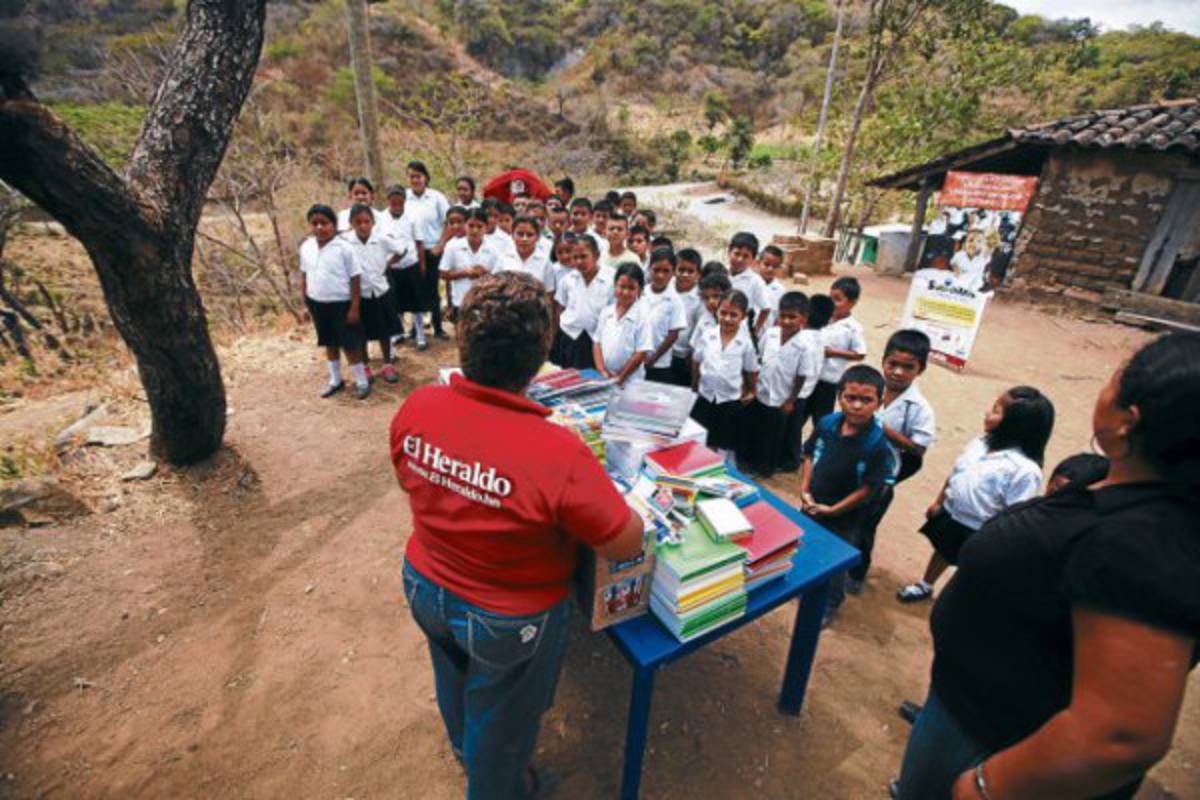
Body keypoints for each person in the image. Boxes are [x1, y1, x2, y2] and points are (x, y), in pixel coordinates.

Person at [894, 333, 1200, 800]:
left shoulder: (1142, 542)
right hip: (972, 705)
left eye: (1117, 376)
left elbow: (1120, 733)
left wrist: (989, 785)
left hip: (995, 737)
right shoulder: (1127, 497)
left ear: (1129, 420)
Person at [391, 272, 644, 800]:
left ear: (463, 340)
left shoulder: (418, 406)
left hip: (424, 584)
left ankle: (466, 750)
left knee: (452, 675)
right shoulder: (558, 451)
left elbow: (412, 481)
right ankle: (497, 786)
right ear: (540, 356)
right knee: (503, 722)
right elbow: (625, 543)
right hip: (509, 617)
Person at [898, 386, 1054, 603]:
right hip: (953, 515)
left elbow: (1015, 514)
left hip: (983, 531)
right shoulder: (980, 443)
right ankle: (926, 584)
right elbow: (957, 473)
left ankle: (956, 600)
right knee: (943, 550)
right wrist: (939, 501)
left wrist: (997, 541)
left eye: (996, 410)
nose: (987, 413)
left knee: (971, 567)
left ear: (1015, 425)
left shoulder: (1024, 471)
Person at [800, 364, 895, 622]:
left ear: (879, 403)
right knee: (808, 543)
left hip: (847, 516)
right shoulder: (827, 424)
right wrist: (805, 489)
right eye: (850, 397)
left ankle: (829, 604)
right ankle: (807, 584)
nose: (856, 406)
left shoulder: (876, 444)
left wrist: (834, 510)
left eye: (866, 400)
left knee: (835, 561)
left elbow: (869, 488)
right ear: (839, 396)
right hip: (813, 503)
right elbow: (809, 454)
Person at [848, 330, 937, 594]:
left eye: (908, 367)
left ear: (920, 370)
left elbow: (919, 448)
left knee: (864, 527)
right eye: (892, 364)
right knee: (843, 518)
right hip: (851, 464)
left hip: (880, 476)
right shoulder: (869, 390)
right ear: (883, 361)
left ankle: (856, 574)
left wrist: (884, 430)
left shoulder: (918, 408)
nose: (897, 372)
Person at [746, 291, 821, 477]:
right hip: (763, 391)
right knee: (757, 429)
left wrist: (790, 400)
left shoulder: (805, 345)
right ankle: (752, 461)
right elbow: (760, 358)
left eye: (792, 317)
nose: (786, 321)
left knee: (773, 436)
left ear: (803, 319)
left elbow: (802, 376)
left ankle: (765, 468)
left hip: (782, 396)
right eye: (783, 316)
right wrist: (753, 387)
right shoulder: (771, 334)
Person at [298, 204, 369, 399]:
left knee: (349, 344)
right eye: (315, 223)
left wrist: (354, 308)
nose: (319, 227)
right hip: (317, 302)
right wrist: (305, 304)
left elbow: (355, 278)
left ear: (334, 224)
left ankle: (362, 381)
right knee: (329, 342)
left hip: (341, 304)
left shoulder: (344, 248)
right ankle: (335, 380)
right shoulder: (306, 246)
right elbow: (304, 275)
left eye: (324, 223)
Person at [691, 289, 758, 463]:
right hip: (706, 395)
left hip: (729, 399)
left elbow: (751, 369)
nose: (727, 318)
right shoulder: (708, 335)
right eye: (723, 313)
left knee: (724, 440)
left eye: (733, 315)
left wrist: (752, 390)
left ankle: (722, 466)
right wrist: (695, 385)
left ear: (743, 316)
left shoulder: (745, 342)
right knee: (702, 435)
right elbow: (697, 361)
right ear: (717, 312)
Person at [343, 204, 407, 383]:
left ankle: (387, 364)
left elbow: (402, 250)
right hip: (359, 294)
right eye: (358, 222)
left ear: (373, 222)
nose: (363, 226)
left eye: (367, 221)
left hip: (380, 290)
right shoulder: (346, 243)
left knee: (384, 330)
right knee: (361, 333)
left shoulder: (382, 239)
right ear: (351, 223)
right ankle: (365, 366)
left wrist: (388, 263)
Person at [778, 294, 831, 473]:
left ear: (804, 317)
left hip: (795, 390)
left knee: (791, 428)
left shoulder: (802, 338)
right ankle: (791, 457)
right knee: (794, 426)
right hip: (807, 388)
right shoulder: (822, 335)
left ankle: (790, 461)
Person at [807, 276, 866, 429]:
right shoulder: (822, 318)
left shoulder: (853, 328)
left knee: (822, 421)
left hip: (828, 382)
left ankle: (820, 443)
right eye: (831, 297)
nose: (832, 303)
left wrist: (833, 353)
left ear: (852, 303)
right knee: (798, 415)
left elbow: (860, 353)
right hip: (809, 376)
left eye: (838, 299)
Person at [552, 234, 613, 369]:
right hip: (571, 336)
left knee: (595, 376)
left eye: (584, 256)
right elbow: (560, 308)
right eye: (575, 257)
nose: (579, 261)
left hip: (598, 339)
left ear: (596, 255)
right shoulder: (568, 280)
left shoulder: (610, 279)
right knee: (570, 375)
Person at [406, 161, 451, 340]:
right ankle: (415, 328)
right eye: (411, 176)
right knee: (414, 289)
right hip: (412, 251)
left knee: (432, 288)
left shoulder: (436, 197)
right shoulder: (404, 197)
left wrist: (441, 245)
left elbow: (450, 222)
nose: (415, 180)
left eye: (418, 176)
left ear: (425, 177)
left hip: (432, 249)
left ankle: (437, 326)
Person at [380, 184, 424, 349]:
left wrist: (422, 264)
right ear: (388, 201)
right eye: (393, 203)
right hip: (391, 266)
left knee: (416, 302)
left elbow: (419, 242)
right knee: (395, 302)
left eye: (400, 202)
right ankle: (398, 332)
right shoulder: (381, 218)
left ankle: (420, 333)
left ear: (405, 201)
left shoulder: (412, 217)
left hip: (411, 263)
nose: (397, 206)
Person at [593, 264, 652, 385]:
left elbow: (641, 353)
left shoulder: (642, 317)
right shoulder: (606, 312)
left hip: (630, 380)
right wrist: (602, 370)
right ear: (615, 286)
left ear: (640, 290)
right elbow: (597, 343)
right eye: (622, 286)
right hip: (605, 377)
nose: (625, 292)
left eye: (631, 288)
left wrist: (621, 377)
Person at [440, 208, 498, 324]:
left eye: (479, 226)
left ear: (486, 228)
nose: (475, 230)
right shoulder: (452, 247)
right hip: (460, 302)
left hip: (484, 303)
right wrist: (466, 272)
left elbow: (499, 277)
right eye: (471, 226)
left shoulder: (493, 250)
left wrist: (485, 273)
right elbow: (443, 274)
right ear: (464, 226)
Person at [641, 248, 687, 384]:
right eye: (656, 270)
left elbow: (672, 335)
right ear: (649, 268)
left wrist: (652, 360)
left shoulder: (675, 301)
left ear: (673, 272)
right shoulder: (642, 292)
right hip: (636, 358)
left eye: (666, 271)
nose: (660, 275)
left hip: (659, 364)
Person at [728, 232, 771, 341]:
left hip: (739, 333)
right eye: (736, 254)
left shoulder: (755, 281)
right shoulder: (720, 273)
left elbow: (766, 308)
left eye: (746, 256)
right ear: (729, 252)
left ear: (753, 259)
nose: (740, 259)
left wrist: (755, 331)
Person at [669, 249, 704, 386]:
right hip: (659, 351)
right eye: (681, 270)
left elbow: (698, 329)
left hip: (681, 354)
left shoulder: (699, 299)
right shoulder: (666, 288)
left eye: (690, 271)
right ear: (674, 270)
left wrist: (690, 353)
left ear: (698, 275)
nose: (685, 275)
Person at [498, 216, 556, 292]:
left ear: (538, 237)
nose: (524, 239)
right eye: (520, 234)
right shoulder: (504, 258)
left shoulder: (545, 262)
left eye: (529, 235)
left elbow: (549, 291)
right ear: (512, 235)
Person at [758, 245, 787, 328]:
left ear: (780, 268)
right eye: (766, 264)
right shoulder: (750, 283)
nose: (770, 269)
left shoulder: (781, 291)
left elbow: (779, 318)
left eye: (775, 266)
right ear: (758, 263)